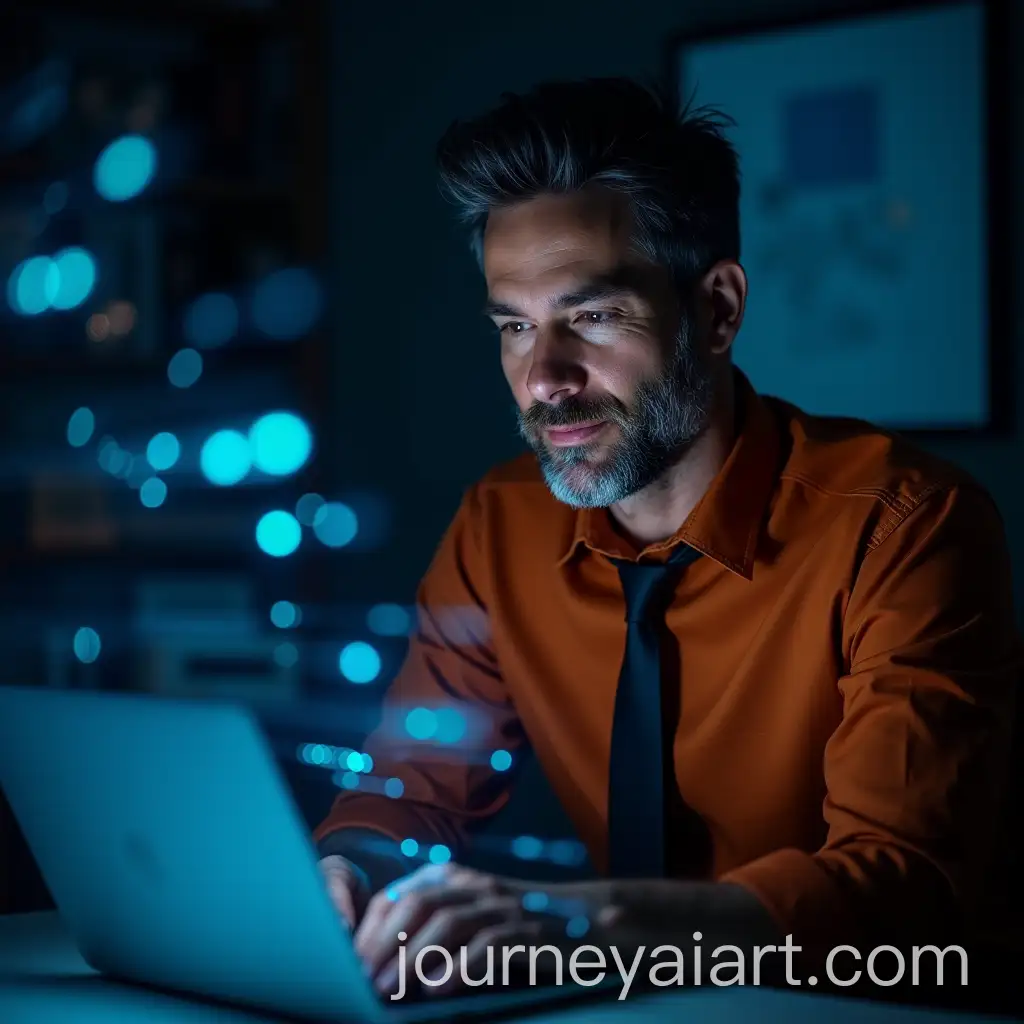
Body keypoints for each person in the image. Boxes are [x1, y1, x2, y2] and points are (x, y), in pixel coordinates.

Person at [315, 78, 1019, 999]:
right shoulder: (499, 525)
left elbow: (901, 887)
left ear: (718, 310)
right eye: (515, 328)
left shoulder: (907, 524)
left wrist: (588, 928)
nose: (544, 380)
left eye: (593, 318)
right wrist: (354, 873)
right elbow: (412, 784)